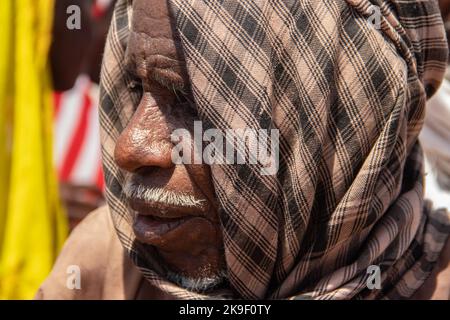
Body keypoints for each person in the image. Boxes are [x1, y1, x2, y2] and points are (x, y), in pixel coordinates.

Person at [36, 0, 450, 299]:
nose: (130, 148)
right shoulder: (106, 264)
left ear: (337, 119)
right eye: (137, 89)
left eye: (189, 101)